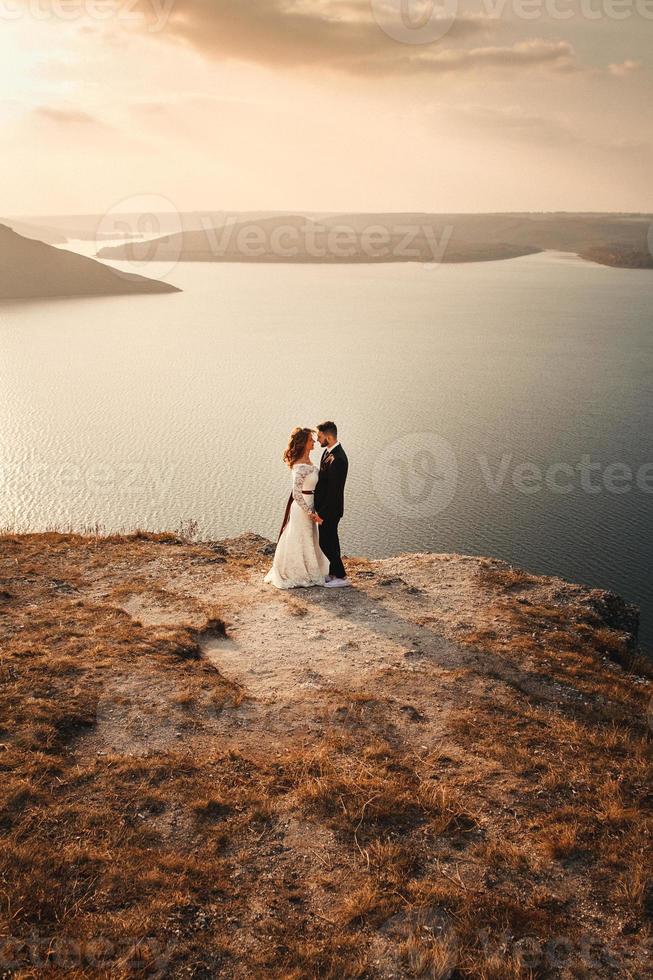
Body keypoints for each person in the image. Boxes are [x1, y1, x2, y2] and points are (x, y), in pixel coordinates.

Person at [263, 427, 330, 589]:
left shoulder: (309, 462)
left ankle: (312, 570)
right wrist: (309, 512)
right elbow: (297, 494)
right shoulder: (300, 466)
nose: (313, 441)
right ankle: (297, 573)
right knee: (300, 538)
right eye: (310, 440)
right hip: (302, 508)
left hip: (311, 504)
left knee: (309, 538)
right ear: (303, 443)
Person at [314, 421, 350, 588]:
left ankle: (341, 577)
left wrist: (321, 513)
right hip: (326, 509)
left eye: (319, 437)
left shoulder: (338, 459)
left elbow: (334, 493)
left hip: (331, 510)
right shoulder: (328, 453)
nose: (317, 440)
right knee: (331, 541)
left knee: (326, 543)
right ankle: (334, 573)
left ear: (328, 437)